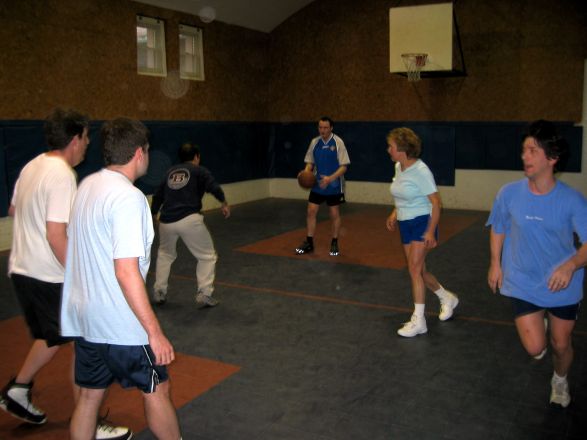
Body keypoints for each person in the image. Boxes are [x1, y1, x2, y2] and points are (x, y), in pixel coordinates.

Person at [0, 108, 131, 439]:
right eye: (86, 137)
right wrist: (82, 275)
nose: (87, 144)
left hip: (23, 270)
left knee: (55, 335)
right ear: (75, 138)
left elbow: (14, 209)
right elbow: (56, 234)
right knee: (84, 343)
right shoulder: (61, 174)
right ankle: (88, 421)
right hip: (50, 275)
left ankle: (18, 389)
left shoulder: (33, 165)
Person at [61, 118, 181, 439]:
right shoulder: (129, 199)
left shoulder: (87, 185)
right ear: (139, 154)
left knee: (88, 397)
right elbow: (125, 270)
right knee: (157, 389)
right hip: (121, 325)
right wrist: (153, 332)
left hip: (86, 320)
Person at [487, 120, 587, 408]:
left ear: (552, 158)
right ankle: (538, 330)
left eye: (532, 151)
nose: (524, 157)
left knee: (560, 345)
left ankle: (560, 378)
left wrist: (570, 266)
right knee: (535, 347)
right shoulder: (508, 193)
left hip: (562, 283)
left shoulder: (572, 200)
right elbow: (499, 226)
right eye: (523, 150)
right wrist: (495, 263)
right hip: (521, 279)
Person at [385, 127, 459, 337]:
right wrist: (394, 213)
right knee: (419, 270)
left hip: (422, 222)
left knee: (414, 270)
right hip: (405, 222)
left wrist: (430, 231)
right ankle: (447, 298)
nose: (388, 150)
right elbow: (402, 194)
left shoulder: (421, 171)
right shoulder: (399, 167)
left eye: (390, 146)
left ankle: (419, 320)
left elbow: (436, 203)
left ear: (401, 149)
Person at [151, 142, 230, 306]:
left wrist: (153, 213)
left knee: (165, 255)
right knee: (207, 256)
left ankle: (159, 291)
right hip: (189, 219)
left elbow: (158, 194)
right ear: (197, 157)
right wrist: (223, 202)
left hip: (166, 221)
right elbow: (213, 186)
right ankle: (204, 293)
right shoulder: (199, 170)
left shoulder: (169, 172)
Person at [295, 116, 350, 256]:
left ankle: (334, 242)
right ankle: (309, 242)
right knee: (311, 211)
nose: (322, 130)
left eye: (325, 127)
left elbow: (344, 167)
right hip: (318, 183)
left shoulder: (338, 143)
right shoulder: (315, 142)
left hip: (334, 184)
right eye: (320, 127)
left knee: (334, 214)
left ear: (331, 128)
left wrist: (330, 178)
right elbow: (310, 163)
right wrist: (305, 173)